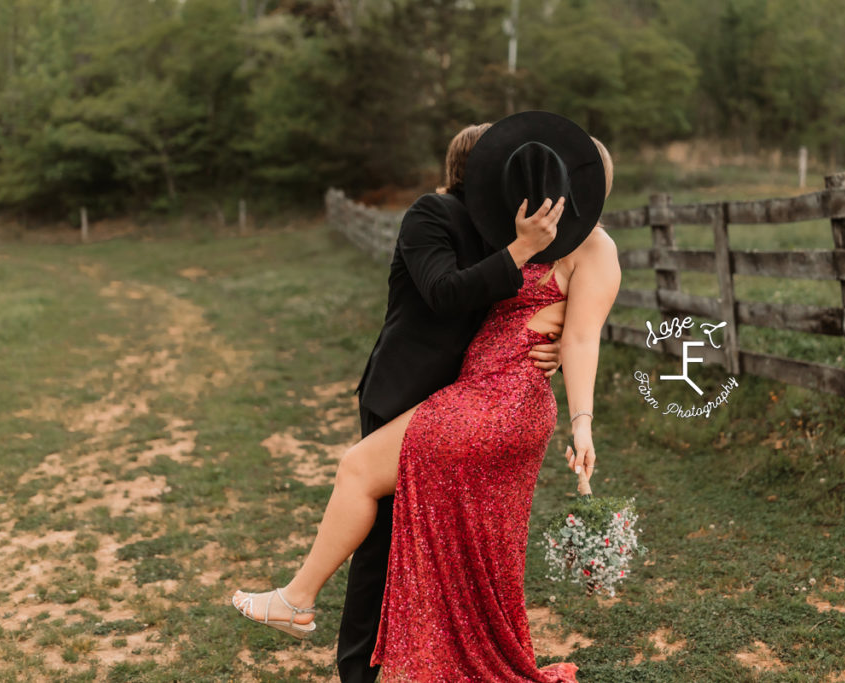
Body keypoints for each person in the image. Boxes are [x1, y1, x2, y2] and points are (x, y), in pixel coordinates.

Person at [232, 112, 620, 682]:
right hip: (463, 391)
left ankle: (297, 601)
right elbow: (468, 296)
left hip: (499, 400)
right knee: (465, 544)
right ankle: (447, 659)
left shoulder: (593, 249)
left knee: (358, 470)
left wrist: (582, 419)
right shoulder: (517, 234)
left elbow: (584, 335)